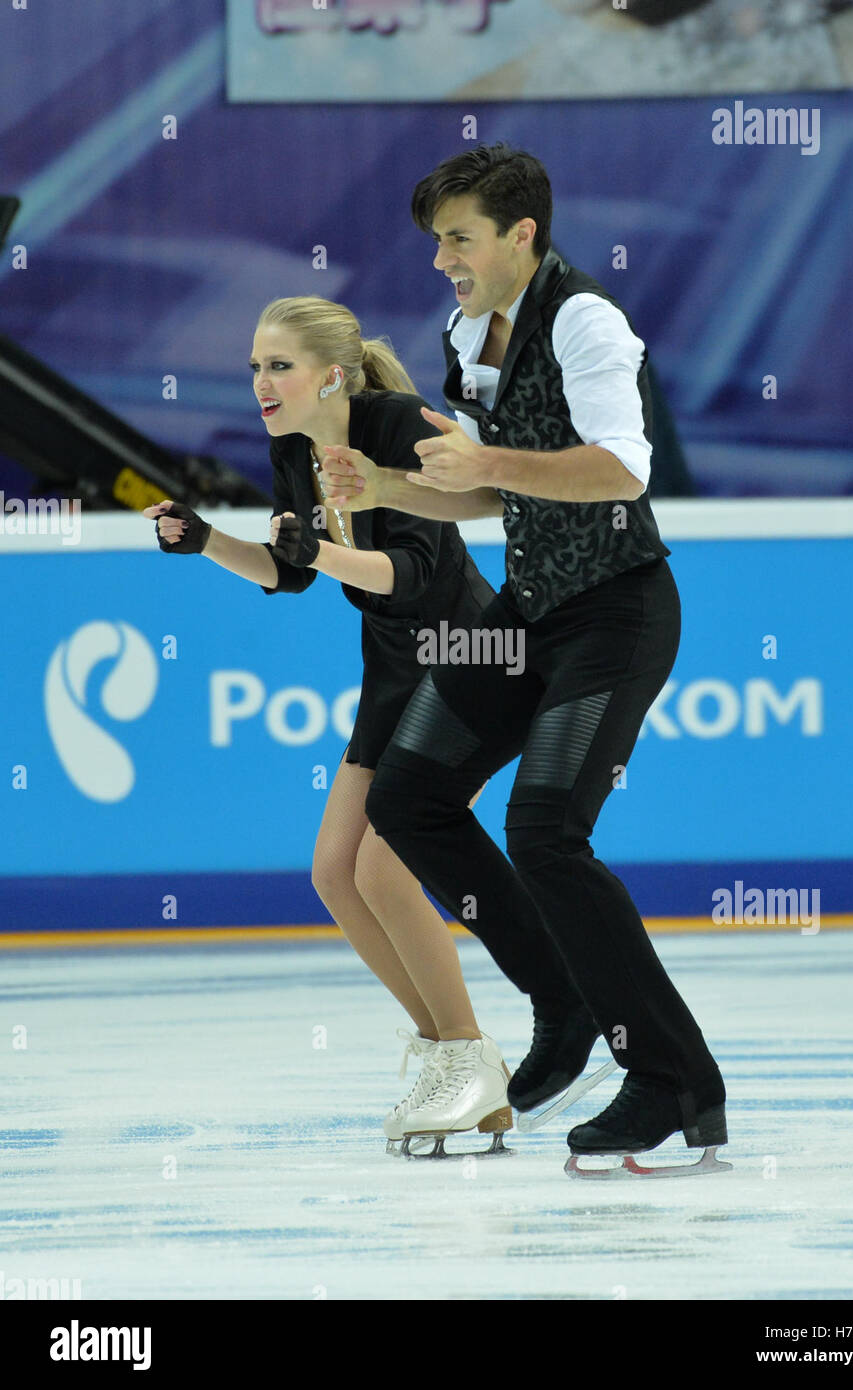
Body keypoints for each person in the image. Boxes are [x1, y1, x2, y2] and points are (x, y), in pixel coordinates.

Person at [322, 145, 728, 1169]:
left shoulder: (585, 321)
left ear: (520, 236)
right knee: (407, 794)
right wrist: (384, 487)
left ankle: (672, 1078)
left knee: (545, 829)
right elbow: (492, 493)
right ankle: (563, 1003)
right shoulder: (468, 333)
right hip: (527, 609)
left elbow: (617, 471)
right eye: (435, 243)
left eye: (457, 240)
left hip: (616, 609)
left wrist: (483, 461)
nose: (441, 261)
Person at [142, 295, 511, 1154]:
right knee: (334, 875)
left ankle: (465, 1053)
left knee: (385, 873)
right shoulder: (293, 447)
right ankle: (455, 1061)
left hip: (466, 656)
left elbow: (415, 574)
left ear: (331, 374)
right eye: (255, 369)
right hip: (393, 667)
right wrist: (206, 542)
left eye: (279, 366)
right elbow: (292, 572)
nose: (262, 385)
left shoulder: (393, 429)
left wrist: (319, 552)